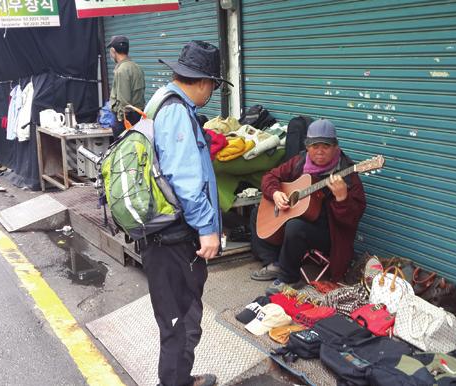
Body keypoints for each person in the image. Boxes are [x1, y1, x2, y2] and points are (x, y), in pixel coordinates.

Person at [141, 40, 232, 386]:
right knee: (182, 321)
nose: (211, 92)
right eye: (212, 85)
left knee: (174, 319)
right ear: (203, 82)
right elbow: (186, 181)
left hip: (160, 235)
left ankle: (180, 379)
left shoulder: (160, 101)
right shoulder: (177, 111)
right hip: (174, 239)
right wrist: (207, 228)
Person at [250, 119, 367, 293]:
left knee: (295, 226)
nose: (319, 151)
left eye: (325, 146)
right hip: (301, 220)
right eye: (314, 146)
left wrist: (342, 199)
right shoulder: (300, 161)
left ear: (336, 147)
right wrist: (275, 193)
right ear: (307, 147)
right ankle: (273, 262)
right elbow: (270, 177)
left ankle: (288, 279)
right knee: (257, 210)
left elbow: (352, 221)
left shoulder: (348, 174)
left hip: (330, 233)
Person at [107, 35, 145, 137]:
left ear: (113, 51)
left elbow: (124, 103)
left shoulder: (121, 70)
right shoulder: (137, 68)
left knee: (122, 151)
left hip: (125, 120)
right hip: (137, 116)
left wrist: (120, 120)